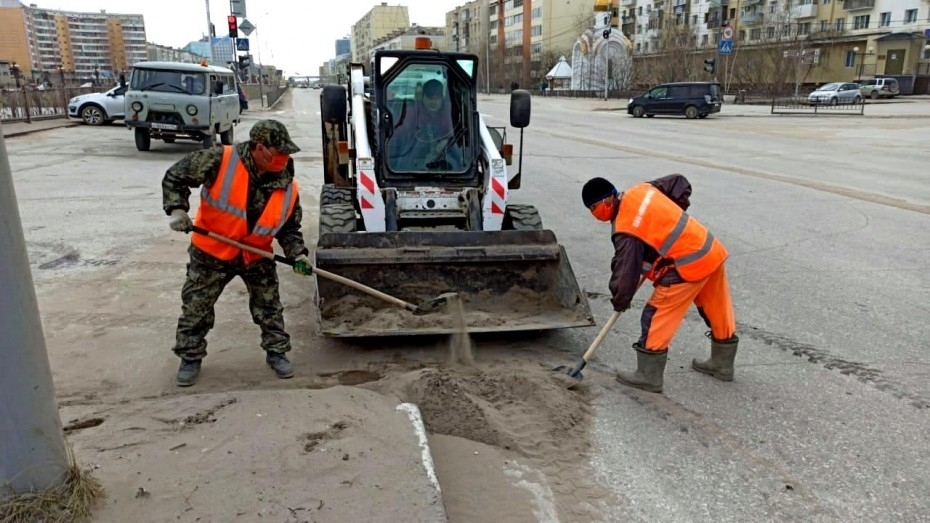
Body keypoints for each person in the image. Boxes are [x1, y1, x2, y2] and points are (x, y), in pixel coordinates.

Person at [162, 119, 313, 387]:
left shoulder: (287, 185)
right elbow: (176, 176)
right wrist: (177, 209)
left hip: (256, 254)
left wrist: (297, 254)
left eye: (286, 153)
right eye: (279, 152)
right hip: (211, 252)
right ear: (259, 148)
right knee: (197, 308)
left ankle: (277, 353)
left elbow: (288, 227)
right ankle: (190, 357)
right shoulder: (221, 160)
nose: (284, 158)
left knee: (269, 308)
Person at [581, 175, 738, 393]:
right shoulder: (642, 190)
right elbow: (679, 183)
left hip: (685, 265)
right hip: (709, 250)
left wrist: (620, 300)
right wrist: (667, 219)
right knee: (716, 308)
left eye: (595, 207)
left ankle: (648, 376)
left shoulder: (625, 228)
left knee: (656, 315)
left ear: (608, 200)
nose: (595, 213)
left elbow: (625, 270)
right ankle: (722, 365)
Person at [387, 78, 461, 171]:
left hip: (441, 155)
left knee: (456, 166)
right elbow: (398, 137)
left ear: (442, 98)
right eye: (430, 97)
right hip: (413, 153)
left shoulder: (448, 114)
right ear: (423, 97)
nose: (433, 102)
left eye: (437, 98)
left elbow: (454, 136)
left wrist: (446, 142)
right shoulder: (412, 112)